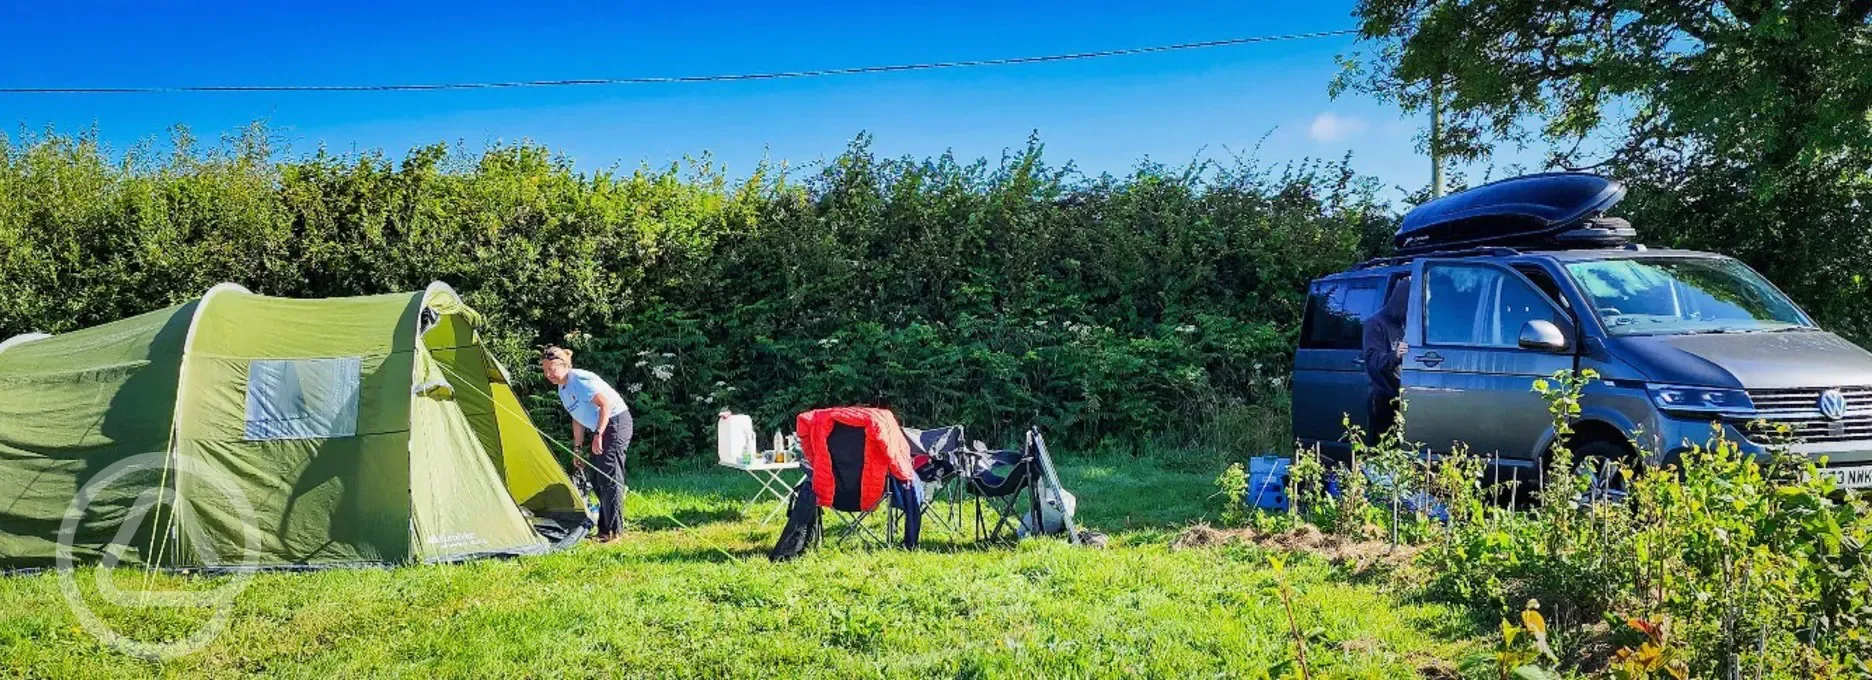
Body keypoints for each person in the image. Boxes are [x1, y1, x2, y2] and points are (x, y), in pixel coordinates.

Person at [540, 346, 632, 543]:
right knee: (597, 478)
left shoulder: (579, 380)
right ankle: (604, 530)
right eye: (545, 370)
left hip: (616, 422)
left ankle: (614, 533)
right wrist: (578, 449)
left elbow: (605, 404)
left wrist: (599, 434)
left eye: (552, 369)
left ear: (565, 366)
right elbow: (578, 418)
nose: (549, 374)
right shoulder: (562, 388)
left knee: (609, 477)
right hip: (599, 427)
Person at [1362, 281, 1410, 441]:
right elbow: (1372, 360)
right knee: (1381, 450)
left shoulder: (1404, 324)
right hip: (1382, 396)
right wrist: (1395, 355)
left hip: (1400, 394)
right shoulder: (1375, 323)